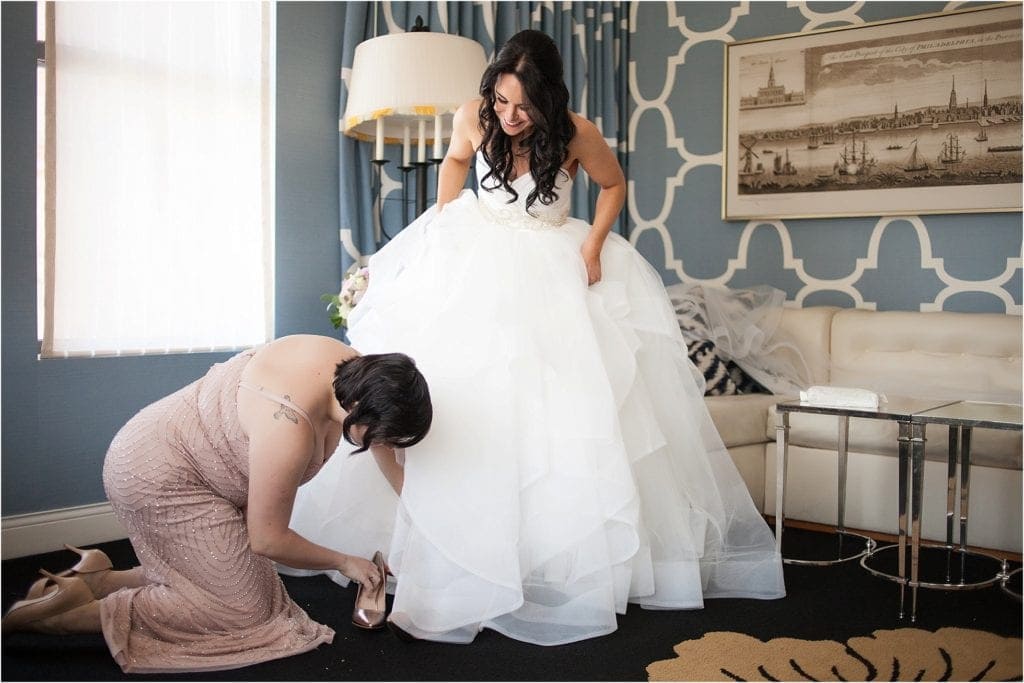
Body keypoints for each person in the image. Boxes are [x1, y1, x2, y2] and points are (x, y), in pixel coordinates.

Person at [286, 29, 785, 646]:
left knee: (558, 416)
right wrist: (443, 221)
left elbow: (613, 186)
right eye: (500, 101)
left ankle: (542, 563)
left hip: (553, 270)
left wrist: (595, 243)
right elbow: (455, 162)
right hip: (475, 261)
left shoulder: (576, 132)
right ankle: (440, 547)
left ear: (548, 99)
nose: (509, 116)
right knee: (462, 400)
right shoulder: (474, 115)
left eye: (522, 105)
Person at [1, 335, 432, 673]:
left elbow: (380, 446)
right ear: (360, 412)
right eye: (384, 436)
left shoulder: (351, 367)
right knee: (244, 612)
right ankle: (56, 618)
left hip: (174, 450)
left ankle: (94, 578)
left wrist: (420, 514)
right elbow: (267, 539)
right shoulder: (288, 430)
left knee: (252, 588)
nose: (388, 447)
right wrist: (344, 562)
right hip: (161, 477)